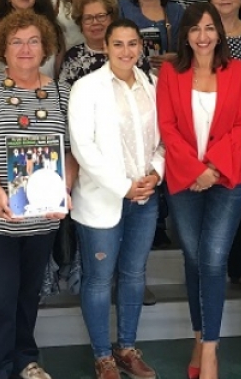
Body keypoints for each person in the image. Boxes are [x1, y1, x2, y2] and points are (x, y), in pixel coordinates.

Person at [0, 11, 71, 379]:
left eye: (33, 41)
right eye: (16, 41)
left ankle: (25, 360)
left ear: (45, 47)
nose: (25, 48)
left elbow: (72, 153)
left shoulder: (61, 93)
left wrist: (65, 191)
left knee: (28, 295)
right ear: (3, 49)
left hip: (43, 218)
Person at [157, 3, 241, 379]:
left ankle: (210, 349)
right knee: (194, 258)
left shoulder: (238, 70)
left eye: (210, 28)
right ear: (185, 35)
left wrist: (212, 168)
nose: (203, 36)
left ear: (219, 33)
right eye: (195, 29)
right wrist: (196, 170)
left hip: (228, 179)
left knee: (212, 260)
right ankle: (199, 338)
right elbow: (167, 127)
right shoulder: (170, 73)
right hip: (184, 180)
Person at [68, 20, 165, 379]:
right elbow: (82, 147)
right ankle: (102, 356)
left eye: (132, 44)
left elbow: (164, 139)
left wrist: (156, 172)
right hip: (103, 195)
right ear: (106, 47)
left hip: (144, 195)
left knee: (134, 273)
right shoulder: (86, 87)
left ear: (141, 46)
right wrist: (122, 186)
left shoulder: (152, 85)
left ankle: (126, 348)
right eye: (118, 44)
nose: (126, 51)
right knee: (98, 278)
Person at [60, 0, 151, 86]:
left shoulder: (131, 51)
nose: (95, 22)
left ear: (112, 19)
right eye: (88, 18)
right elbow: (65, 92)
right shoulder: (73, 58)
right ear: (80, 23)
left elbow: (148, 86)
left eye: (101, 16)